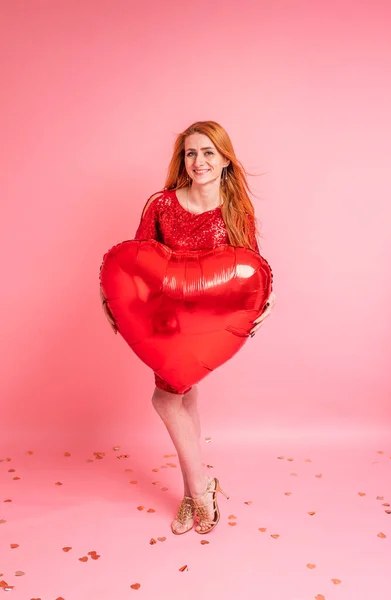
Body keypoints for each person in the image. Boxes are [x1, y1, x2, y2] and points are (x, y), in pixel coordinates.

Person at [100, 120, 276, 536]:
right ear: (183, 160)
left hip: (209, 326)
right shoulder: (161, 204)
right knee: (173, 399)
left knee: (175, 399)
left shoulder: (236, 210)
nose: (199, 161)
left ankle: (195, 491)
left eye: (208, 152)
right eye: (191, 153)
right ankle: (201, 490)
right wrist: (110, 300)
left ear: (225, 159)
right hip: (165, 325)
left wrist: (267, 298)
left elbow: (250, 265)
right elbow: (135, 262)